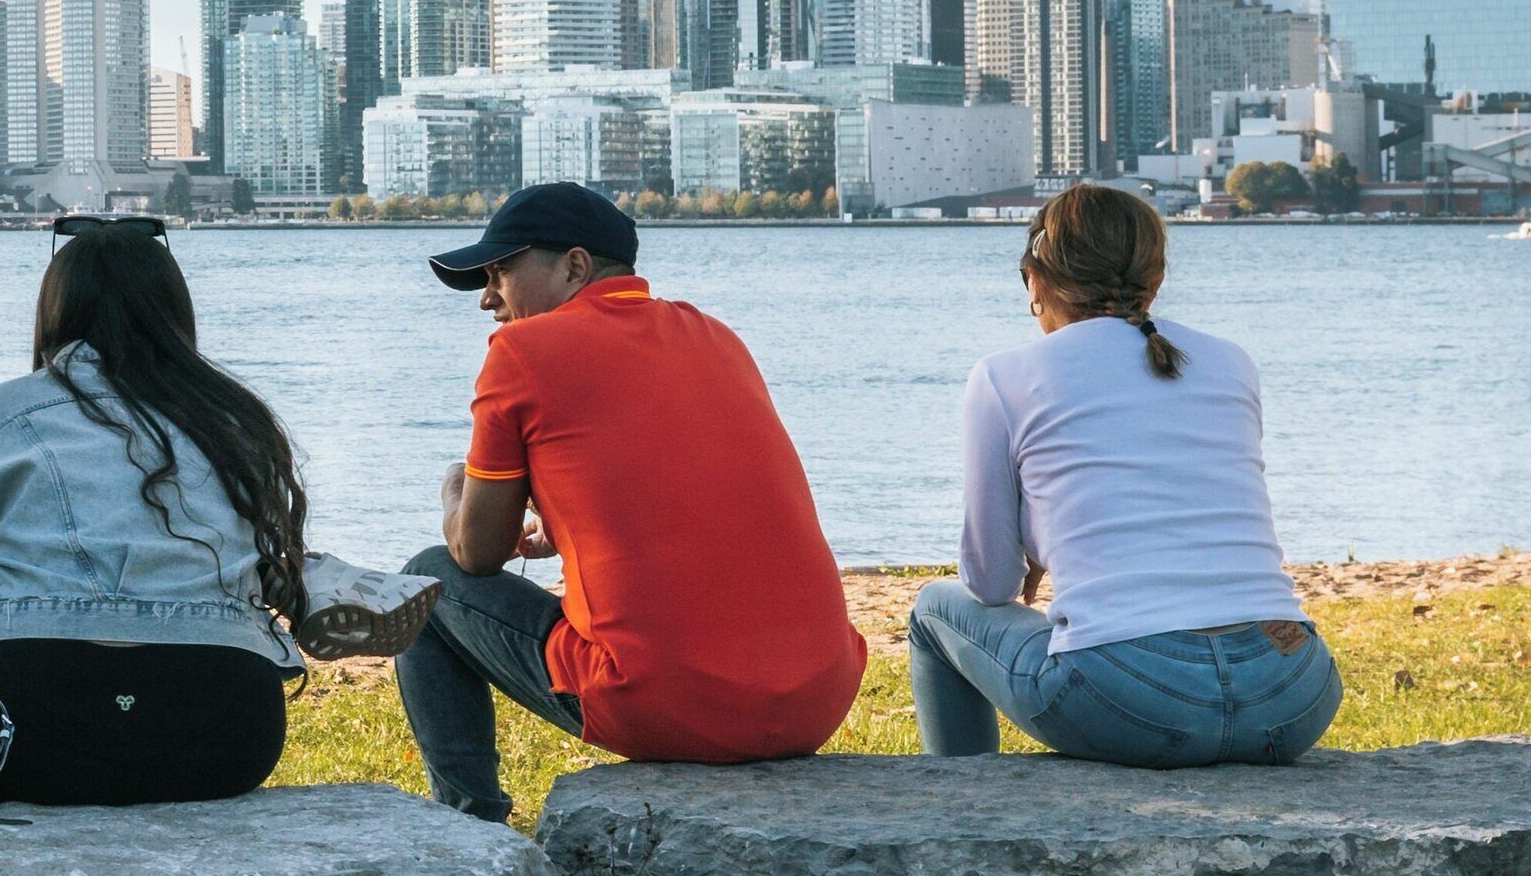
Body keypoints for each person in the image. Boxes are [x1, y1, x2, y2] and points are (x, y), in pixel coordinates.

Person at [0, 216, 442, 805]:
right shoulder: (236, 421)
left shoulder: (0, 417)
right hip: (226, 744)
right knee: (259, 572)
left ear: (54, 311)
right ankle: (307, 580)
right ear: (175, 313)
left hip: (19, 743)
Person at [393, 183, 863, 820]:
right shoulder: (716, 336)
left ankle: (470, 824)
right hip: (817, 699)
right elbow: (686, 479)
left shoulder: (521, 353)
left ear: (574, 266)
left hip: (670, 705)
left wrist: (455, 484)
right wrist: (561, 522)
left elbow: (475, 554)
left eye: (500, 272)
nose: (487, 298)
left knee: (425, 580)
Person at [909, 183, 1340, 765]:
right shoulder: (1231, 361)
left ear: (1035, 281)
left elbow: (989, 585)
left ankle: (959, 798)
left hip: (1132, 701)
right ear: (1154, 282)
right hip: (1292, 689)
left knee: (934, 609)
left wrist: (1036, 536)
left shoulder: (1002, 376)